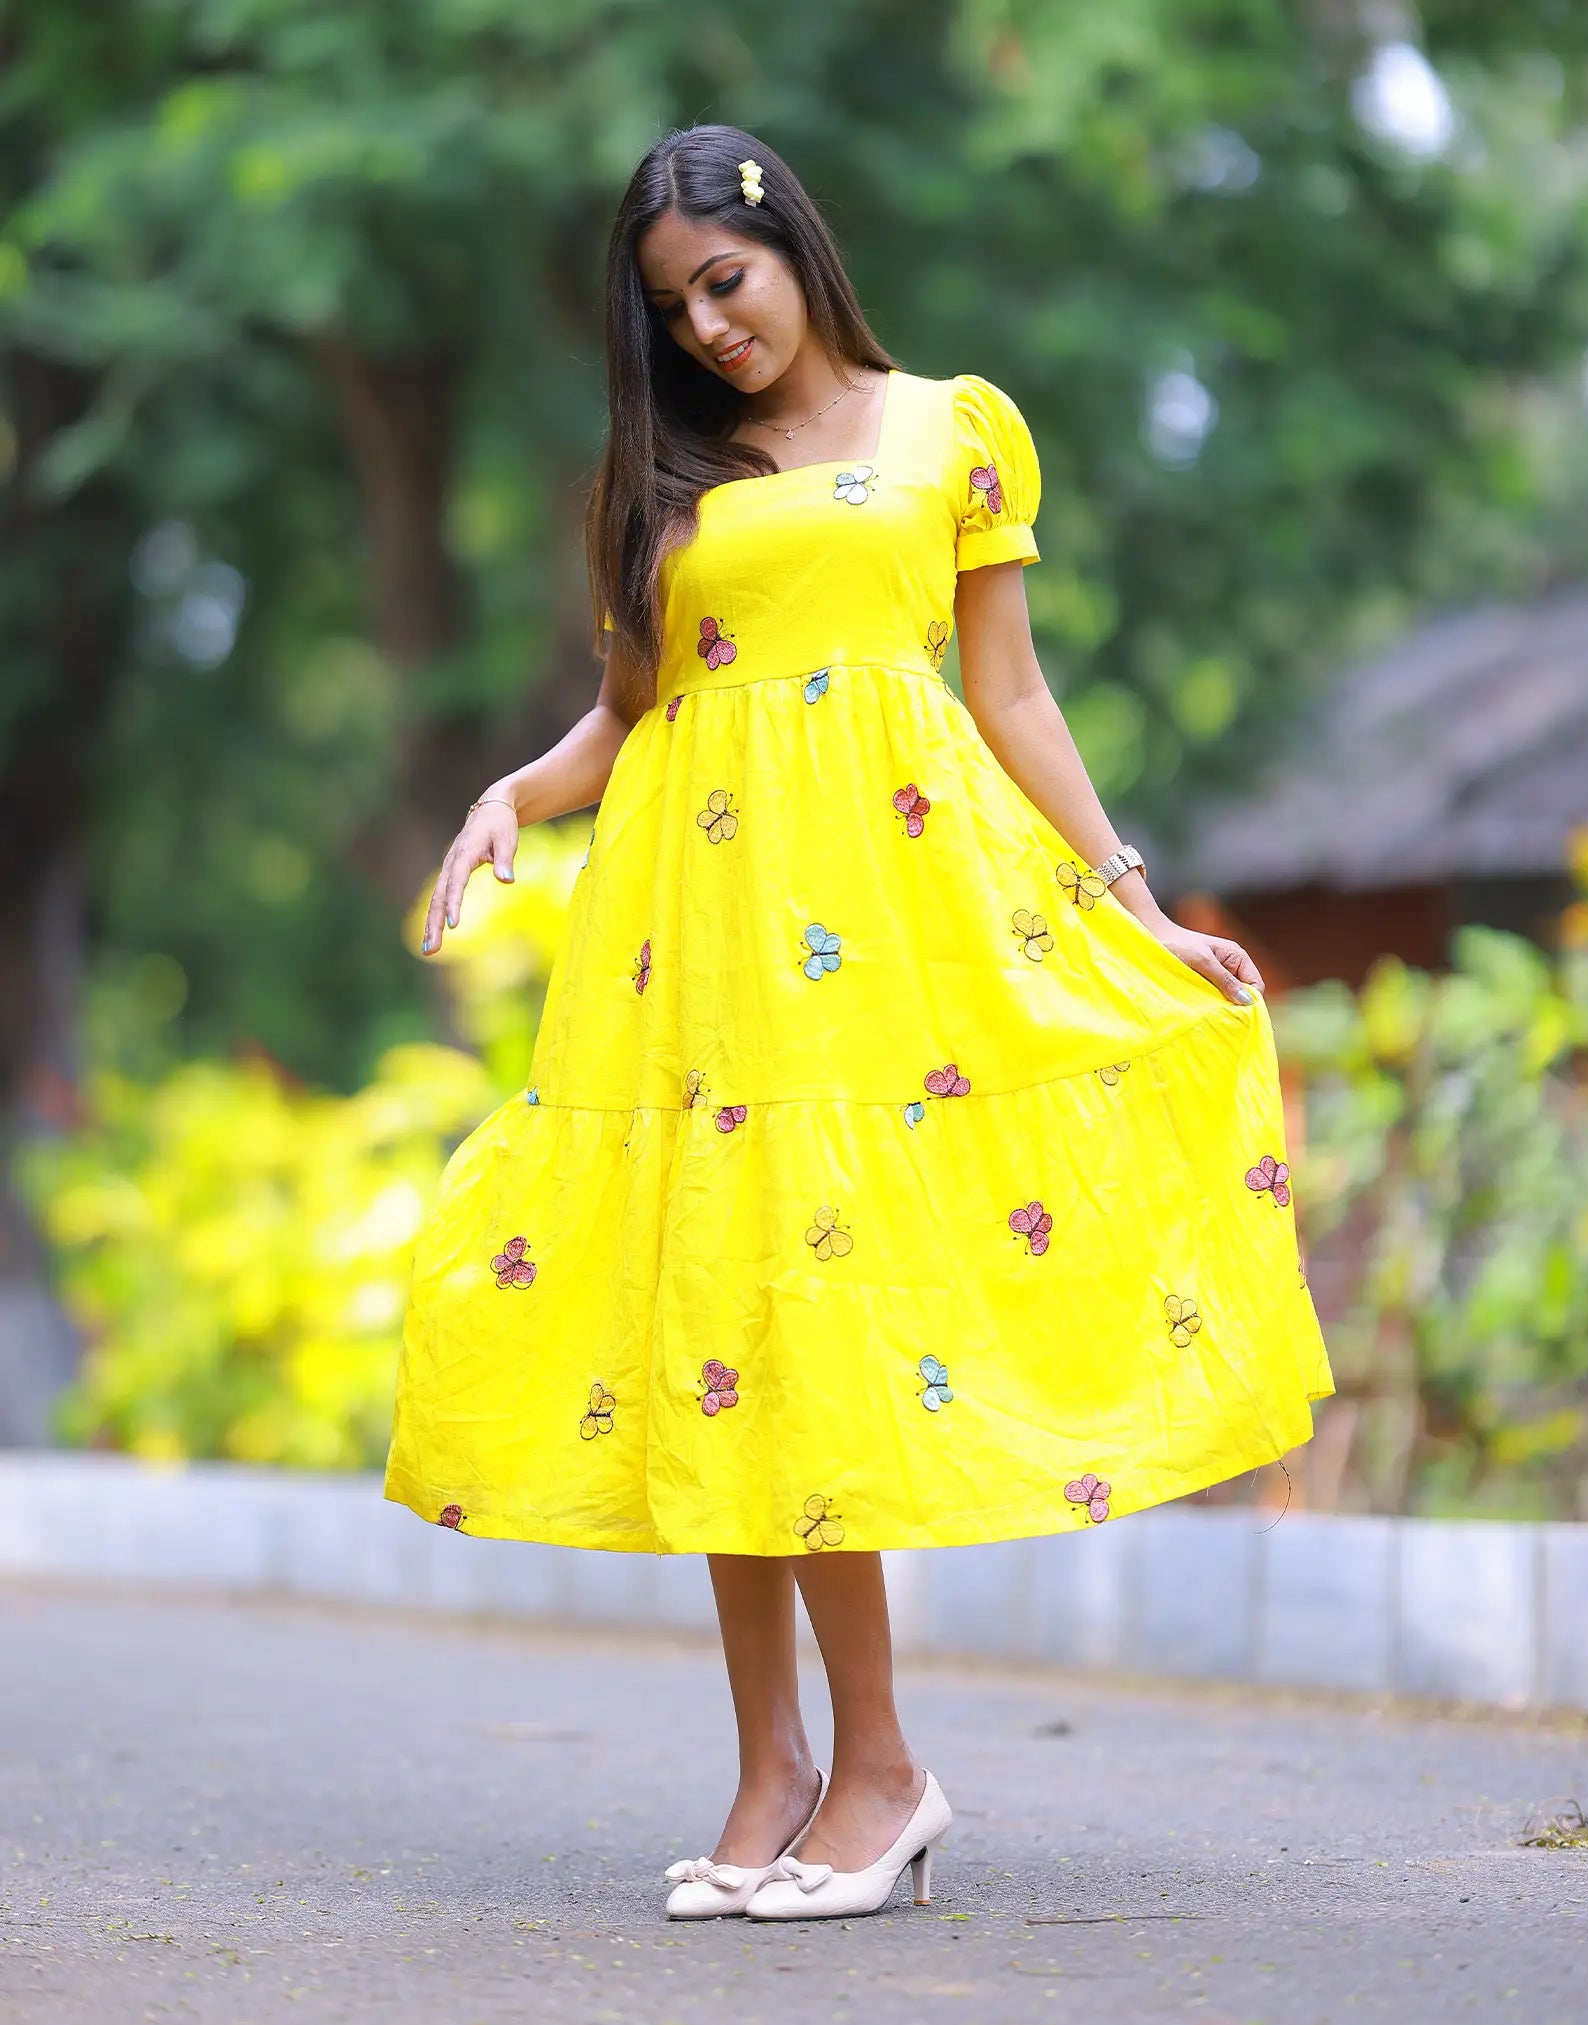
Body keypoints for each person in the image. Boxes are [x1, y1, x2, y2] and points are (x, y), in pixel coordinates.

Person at [384, 123, 1334, 1923]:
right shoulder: (656, 482)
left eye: (724, 284)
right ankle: (773, 1770)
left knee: (819, 1325)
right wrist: (518, 789)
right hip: (698, 950)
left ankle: (883, 1769)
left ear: (792, 248)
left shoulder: (948, 429)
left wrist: (1133, 898)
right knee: (722, 1324)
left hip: (886, 947)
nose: (710, 331)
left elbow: (1011, 692)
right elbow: (629, 719)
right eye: (672, 311)